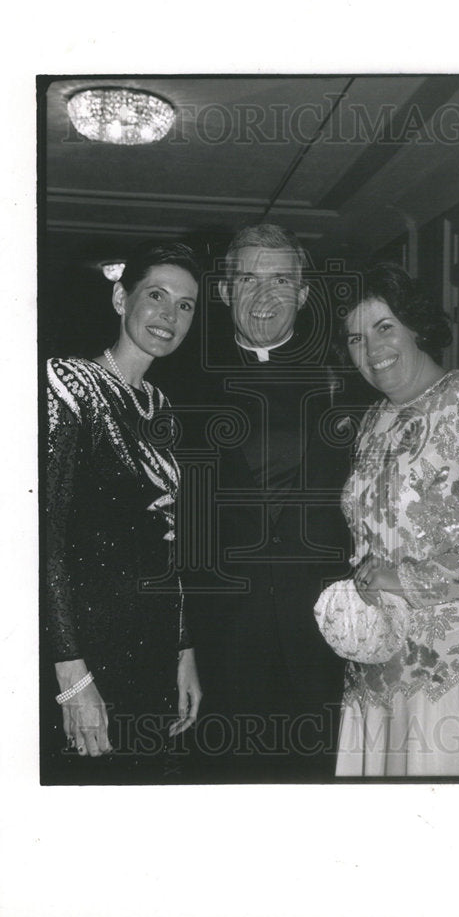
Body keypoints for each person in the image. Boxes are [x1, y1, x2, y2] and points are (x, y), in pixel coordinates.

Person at [334, 263, 459, 776]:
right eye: (356, 338)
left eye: (385, 327)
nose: (372, 349)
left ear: (416, 326)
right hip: (382, 659)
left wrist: (407, 579)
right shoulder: (372, 421)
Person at [172, 224, 361, 782]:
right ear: (223, 290)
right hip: (222, 637)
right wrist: (180, 643)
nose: (264, 295)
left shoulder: (351, 380)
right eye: (248, 279)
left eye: (281, 280)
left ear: (303, 294)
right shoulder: (179, 386)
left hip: (326, 635)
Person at [41, 241, 202, 784]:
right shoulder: (69, 385)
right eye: (156, 295)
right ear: (120, 299)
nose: (169, 315)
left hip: (153, 642)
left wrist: (183, 650)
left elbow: (167, 542)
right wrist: (72, 674)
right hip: (87, 645)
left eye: (185, 305)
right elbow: (45, 539)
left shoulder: (161, 407)